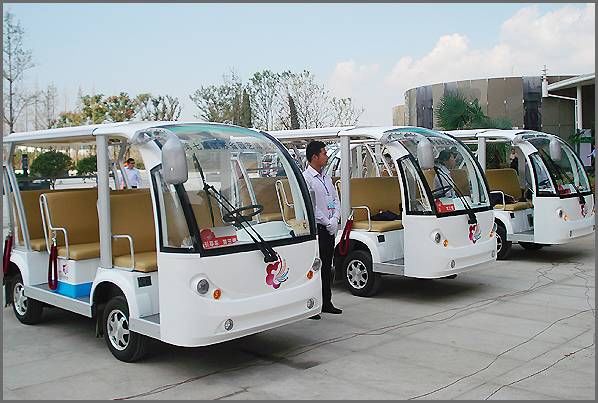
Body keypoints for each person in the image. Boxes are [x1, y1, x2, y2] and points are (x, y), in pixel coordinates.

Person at [303, 141, 342, 319]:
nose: (326, 156)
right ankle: (312, 304)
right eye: (324, 153)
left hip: (330, 227)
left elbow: (335, 199)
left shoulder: (326, 178)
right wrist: (326, 221)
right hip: (318, 227)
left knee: (327, 265)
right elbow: (312, 206)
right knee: (315, 267)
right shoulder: (307, 178)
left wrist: (335, 218)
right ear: (314, 157)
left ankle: (326, 301)